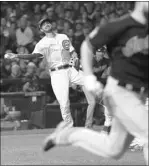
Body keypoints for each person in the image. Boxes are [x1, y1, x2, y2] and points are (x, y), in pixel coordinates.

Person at [42, 2, 148, 165]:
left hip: (139, 95)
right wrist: (90, 78)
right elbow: (88, 45)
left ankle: (67, 135)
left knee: (113, 149)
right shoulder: (121, 25)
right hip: (120, 93)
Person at [4, 17, 96, 128]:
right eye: (43, 25)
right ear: (41, 30)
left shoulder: (63, 36)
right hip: (57, 73)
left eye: (47, 22)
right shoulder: (42, 43)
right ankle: (69, 128)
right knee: (64, 103)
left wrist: (75, 61)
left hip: (71, 69)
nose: (46, 24)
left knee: (92, 84)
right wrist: (17, 55)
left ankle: (101, 117)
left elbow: (71, 52)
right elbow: (33, 56)